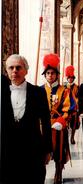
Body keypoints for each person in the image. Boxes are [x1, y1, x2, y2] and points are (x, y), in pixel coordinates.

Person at [1, 54, 52, 184]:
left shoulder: (38, 92)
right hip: (7, 151)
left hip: (33, 150)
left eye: (18, 67)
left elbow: (46, 122)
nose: (14, 71)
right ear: (6, 71)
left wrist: (47, 150)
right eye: (11, 68)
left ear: (26, 70)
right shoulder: (1, 92)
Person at [41, 53, 73, 184]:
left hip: (57, 124)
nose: (50, 76)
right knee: (42, 150)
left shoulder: (64, 90)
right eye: (48, 73)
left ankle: (58, 171)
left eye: (52, 73)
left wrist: (61, 121)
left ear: (56, 75)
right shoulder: (39, 90)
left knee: (58, 150)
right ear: (45, 75)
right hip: (43, 125)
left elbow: (69, 108)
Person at [64, 65, 80, 144]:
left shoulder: (77, 87)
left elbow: (78, 97)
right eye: (69, 78)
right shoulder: (64, 86)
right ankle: (66, 138)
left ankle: (72, 138)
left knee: (73, 124)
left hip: (74, 108)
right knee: (65, 124)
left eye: (71, 78)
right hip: (66, 108)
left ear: (73, 78)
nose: (70, 79)